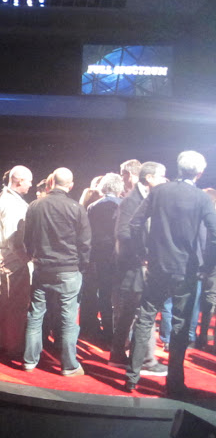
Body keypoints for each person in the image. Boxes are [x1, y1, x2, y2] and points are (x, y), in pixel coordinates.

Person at [125, 151, 216, 397]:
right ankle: (174, 384)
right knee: (180, 325)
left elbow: (134, 223)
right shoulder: (202, 198)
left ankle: (131, 378)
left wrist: (142, 252)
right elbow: (214, 233)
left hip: (157, 266)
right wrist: (208, 265)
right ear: (199, 173)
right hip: (186, 270)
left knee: (145, 319)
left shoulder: (159, 191)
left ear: (178, 168)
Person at [22, 168, 91, 376]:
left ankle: (29, 361)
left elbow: (27, 238)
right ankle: (69, 365)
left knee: (35, 315)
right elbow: (85, 243)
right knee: (68, 319)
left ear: (51, 182)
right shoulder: (76, 208)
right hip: (68, 269)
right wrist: (82, 266)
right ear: (71, 185)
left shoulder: (35, 206)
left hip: (42, 267)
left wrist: (34, 257)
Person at [109, 161, 168, 376]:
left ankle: (118, 355)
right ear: (149, 178)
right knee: (143, 313)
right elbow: (123, 233)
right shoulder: (132, 201)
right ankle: (146, 360)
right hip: (133, 266)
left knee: (130, 312)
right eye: (161, 176)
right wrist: (142, 256)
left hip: (134, 265)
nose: (164, 180)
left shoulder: (145, 198)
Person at [0, 165, 33, 357]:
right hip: (14, 259)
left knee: (5, 300)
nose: (31, 185)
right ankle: (13, 346)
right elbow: (13, 239)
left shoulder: (6, 199)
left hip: (7, 256)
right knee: (15, 304)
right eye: (29, 181)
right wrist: (27, 260)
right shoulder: (11, 203)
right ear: (19, 181)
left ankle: (2, 342)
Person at [81, 173, 124, 343]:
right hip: (119, 255)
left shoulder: (93, 206)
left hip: (99, 256)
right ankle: (120, 334)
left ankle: (107, 333)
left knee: (104, 295)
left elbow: (89, 234)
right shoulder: (123, 205)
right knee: (119, 296)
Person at [198, 188, 216, 350]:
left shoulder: (207, 218)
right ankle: (203, 336)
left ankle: (203, 336)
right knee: (210, 299)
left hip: (209, 264)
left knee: (209, 299)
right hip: (210, 265)